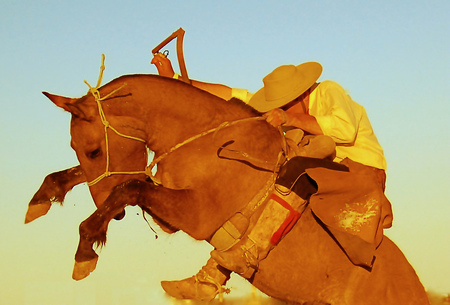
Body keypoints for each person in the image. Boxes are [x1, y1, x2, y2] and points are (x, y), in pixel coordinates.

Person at [151, 53, 390, 301]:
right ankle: (212, 279)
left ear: (300, 95)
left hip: (360, 172)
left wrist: (289, 118)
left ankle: (245, 256)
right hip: (320, 173)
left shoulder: (329, 90)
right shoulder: (287, 107)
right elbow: (235, 96)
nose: (280, 110)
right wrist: (177, 79)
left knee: (297, 168)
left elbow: (345, 129)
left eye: (285, 104)